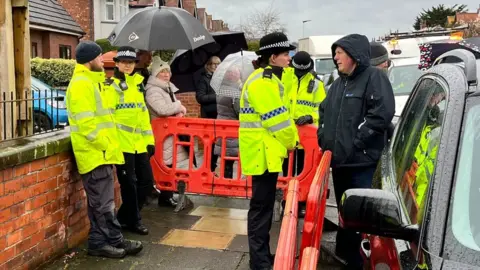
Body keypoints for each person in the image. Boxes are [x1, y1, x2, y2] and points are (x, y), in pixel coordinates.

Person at [317, 34, 395, 269]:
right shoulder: (338, 83)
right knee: (344, 211)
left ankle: (360, 261)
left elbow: (381, 114)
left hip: (361, 164)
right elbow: (324, 111)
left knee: (360, 216)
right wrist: (324, 136)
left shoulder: (374, 78)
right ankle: (347, 254)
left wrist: (357, 142)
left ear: (354, 55)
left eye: (339, 52)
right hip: (340, 163)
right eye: (335, 52)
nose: (335, 57)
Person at [66, 41, 142, 258]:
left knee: (99, 204)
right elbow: (87, 125)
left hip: (100, 153)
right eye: (99, 57)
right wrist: (106, 146)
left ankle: (98, 243)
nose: (102, 60)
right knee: (103, 204)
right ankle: (116, 240)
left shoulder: (91, 82)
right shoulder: (82, 84)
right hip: (95, 154)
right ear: (90, 59)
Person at [240, 32, 298, 270]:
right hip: (262, 154)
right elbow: (279, 121)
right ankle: (259, 261)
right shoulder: (263, 83)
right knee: (260, 210)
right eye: (285, 54)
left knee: (263, 210)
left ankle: (262, 257)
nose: (289, 58)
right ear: (273, 57)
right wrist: (292, 141)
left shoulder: (269, 80)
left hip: (266, 152)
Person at [107, 46, 155, 235]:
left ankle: (123, 218)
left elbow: (143, 117)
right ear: (117, 64)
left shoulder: (137, 84)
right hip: (122, 144)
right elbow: (108, 118)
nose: (127, 66)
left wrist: (149, 141)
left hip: (139, 144)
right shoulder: (112, 87)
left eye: (131, 62)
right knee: (129, 185)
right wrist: (113, 144)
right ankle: (134, 221)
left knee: (147, 183)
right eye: (124, 62)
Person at [145, 56, 193, 210]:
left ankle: (169, 196)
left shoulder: (166, 88)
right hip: (163, 135)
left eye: (168, 71)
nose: (166, 74)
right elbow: (162, 109)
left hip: (171, 134)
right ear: (155, 74)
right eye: (162, 72)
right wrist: (178, 106)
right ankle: (166, 197)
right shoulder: (153, 90)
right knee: (167, 165)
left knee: (173, 165)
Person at [282, 51, 326, 177]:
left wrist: (310, 117)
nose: (300, 74)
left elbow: (322, 108)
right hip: (287, 132)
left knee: (303, 172)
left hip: (307, 134)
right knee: (287, 170)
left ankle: (300, 196)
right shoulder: (284, 78)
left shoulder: (317, 84)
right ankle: (286, 195)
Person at [214, 67, 241, 178]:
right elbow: (239, 111)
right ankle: (228, 184)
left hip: (222, 126)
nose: (235, 74)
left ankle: (225, 181)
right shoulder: (234, 92)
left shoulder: (221, 88)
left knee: (226, 159)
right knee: (229, 159)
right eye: (232, 73)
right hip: (232, 128)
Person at [196, 56, 221, 173]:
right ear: (208, 65)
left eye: (218, 64)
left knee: (216, 145)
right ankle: (208, 170)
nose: (216, 66)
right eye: (214, 64)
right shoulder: (204, 79)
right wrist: (217, 96)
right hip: (208, 116)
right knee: (210, 145)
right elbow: (200, 97)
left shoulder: (220, 79)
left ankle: (213, 168)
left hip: (219, 115)